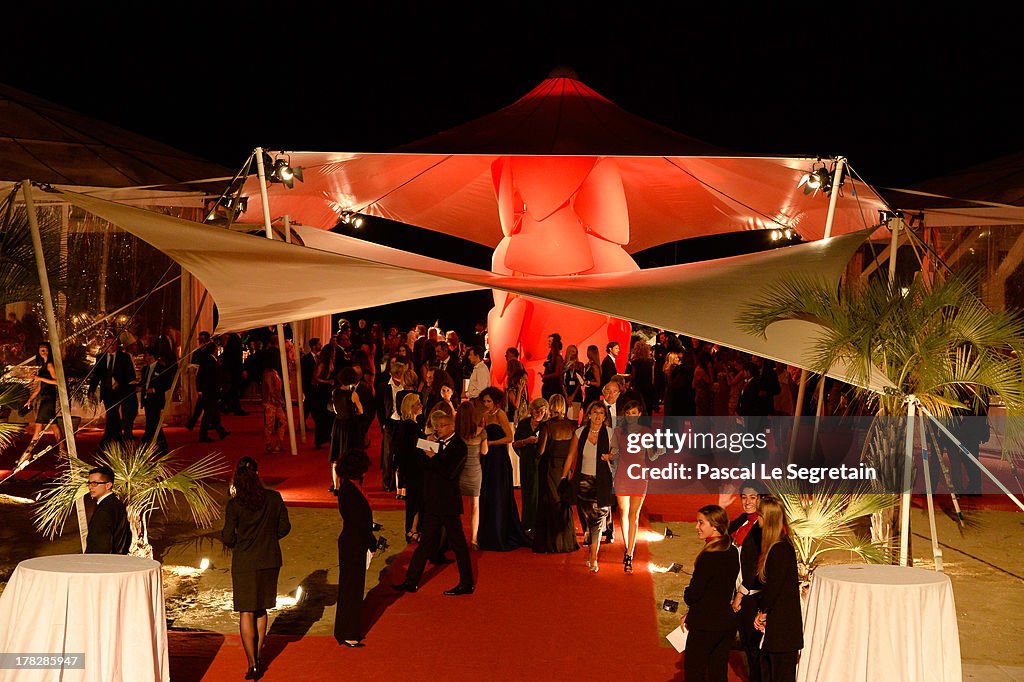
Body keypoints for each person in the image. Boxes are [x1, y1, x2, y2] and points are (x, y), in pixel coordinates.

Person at [222, 457, 291, 679]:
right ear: (257, 474)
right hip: (269, 559)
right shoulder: (273, 498)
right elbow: (284, 527)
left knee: (246, 610)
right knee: (262, 609)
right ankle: (259, 656)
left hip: (244, 561)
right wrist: (269, 538)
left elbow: (227, 537)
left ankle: (252, 663)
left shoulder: (235, 505)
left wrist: (239, 541)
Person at [392, 410, 474, 595]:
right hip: (431, 501)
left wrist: (433, 456)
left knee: (458, 544)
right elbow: (422, 466)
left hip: (448, 503)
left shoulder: (460, 446)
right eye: (436, 425)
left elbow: (449, 471)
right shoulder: (433, 443)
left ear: (452, 426)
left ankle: (466, 583)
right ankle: (411, 581)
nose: (438, 429)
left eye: (442, 425)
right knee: (425, 543)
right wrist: (427, 450)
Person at [682, 505, 739, 682]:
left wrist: (687, 595)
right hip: (726, 623)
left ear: (714, 526)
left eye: (701, 522)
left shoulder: (709, 556)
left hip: (705, 625)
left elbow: (693, 594)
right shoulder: (732, 550)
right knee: (718, 672)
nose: (696, 527)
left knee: (694, 672)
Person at [562, 401, 617, 572]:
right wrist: (564, 476)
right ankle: (589, 538)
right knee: (586, 516)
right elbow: (571, 456)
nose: (598, 416)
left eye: (601, 413)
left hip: (602, 482)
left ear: (605, 417)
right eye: (595, 412)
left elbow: (619, 454)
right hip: (583, 481)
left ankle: (593, 557)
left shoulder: (610, 433)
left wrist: (610, 456)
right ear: (589, 415)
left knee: (598, 520)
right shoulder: (579, 432)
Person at [753, 496, 803, 682]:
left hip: (783, 633)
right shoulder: (777, 547)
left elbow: (773, 588)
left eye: (760, 515)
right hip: (777, 632)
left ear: (768, 519)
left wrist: (762, 613)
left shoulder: (780, 549)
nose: (757, 519)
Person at [478, 387, 531, 551]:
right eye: (484, 401)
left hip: (499, 459)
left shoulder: (500, 414)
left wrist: (491, 443)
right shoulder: (485, 416)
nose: (486, 404)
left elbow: (510, 437)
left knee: (499, 495)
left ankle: (501, 533)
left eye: (488, 401)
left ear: (496, 401)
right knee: (487, 495)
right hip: (487, 459)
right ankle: (488, 534)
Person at [334, 450, 377, 648]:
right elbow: (358, 521)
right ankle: (349, 632)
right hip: (354, 542)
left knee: (350, 586)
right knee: (352, 588)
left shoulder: (349, 487)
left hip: (351, 540)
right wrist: (371, 541)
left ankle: (344, 630)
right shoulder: (350, 491)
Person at [613, 400, 658, 573]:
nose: (630, 416)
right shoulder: (618, 432)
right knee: (623, 513)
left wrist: (659, 450)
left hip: (639, 475)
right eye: (628, 413)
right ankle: (627, 546)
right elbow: (615, 452)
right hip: (623, 475)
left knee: (634, 514)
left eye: (634, 413)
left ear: (639, 414)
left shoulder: (646, 432)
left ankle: (629, 553)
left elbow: (651, 456)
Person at [533, 395, 579, 554]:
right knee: (563, 502)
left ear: (551, 406)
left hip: (550, 468)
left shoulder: (547, 426)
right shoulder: (573, 425)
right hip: (566, 468)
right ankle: (566, 542)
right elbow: (574, 450)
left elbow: (540, 451)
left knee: (549, 503)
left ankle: (550, 543)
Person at [729, 481, 766, 682]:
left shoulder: (761, 525)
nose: (747, 502)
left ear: (760, 499)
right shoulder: (743, 520)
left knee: (754, 647)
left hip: (752, 595)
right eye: (744, 497)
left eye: (752, 497)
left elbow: (756, 565)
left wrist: (740, 595)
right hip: (739, 593)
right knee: (746, 645)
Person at [17, 342, 62, 469]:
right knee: (54, 425)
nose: (44, 352)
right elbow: (39, 387)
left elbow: (57, 381)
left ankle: (27, 454)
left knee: (38, 426)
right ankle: (63, 451)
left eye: (46, 350)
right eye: (41, 350)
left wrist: (40, 378)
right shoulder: (43, 366)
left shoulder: (50, 365)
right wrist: (30, 399)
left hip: (48, 399)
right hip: (44, 398)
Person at [89, 332, 136, 449]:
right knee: (112, 415)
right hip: (107, 391)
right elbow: (96, 376)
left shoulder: (124, 357)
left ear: (117, 345)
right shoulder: (101, 358)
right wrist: (91, 390)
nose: (110, 346)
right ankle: (117, 438)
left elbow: (131, 375)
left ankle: (106, 441)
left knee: (112, 414)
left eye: (112, 343)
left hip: (120, 391)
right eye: (107, 343)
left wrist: (119, 382)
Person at [512, 397, 548, 534]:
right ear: (532, 410)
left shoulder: (546, 425)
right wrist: (526, 441)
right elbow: (514, 444)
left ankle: (539, 525)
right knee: (528, 493)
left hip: (541, 463)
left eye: (542, 411)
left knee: (540, 493)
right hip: (527, 462)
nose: (539, 414)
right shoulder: (524, 424)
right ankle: (527, 524)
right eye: (537, 411)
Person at [456, 401, 487, 549]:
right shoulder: (481, 432)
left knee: (455, 506)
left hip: (459, 472)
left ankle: (456, 536)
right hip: (475, 471)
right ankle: (474, 538)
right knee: (475, 505)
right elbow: (484, 452)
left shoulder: (457, 433)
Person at [394, 393, 425, 541]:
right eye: (418, 404)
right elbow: (414, 447)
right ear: (412, 407)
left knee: (415, 500)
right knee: (416, 500)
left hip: (412, 468)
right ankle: (412, 530)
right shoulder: (409, 426)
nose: (421, 406)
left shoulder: (408, 425)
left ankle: (413, 529)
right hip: (414, 469)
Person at [329, 367, 364, 490]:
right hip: (350, 426)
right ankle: (350, 483)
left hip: (338, 424)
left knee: (336, 457)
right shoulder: (353, 394)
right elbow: (361, 410)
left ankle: (336, 486)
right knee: (350, 454)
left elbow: (334, 409)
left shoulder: (334, 392)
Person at [85, 465, 131, 554]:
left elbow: (100, 545)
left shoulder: (105, 509)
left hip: (103, 563)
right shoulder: (116, 504)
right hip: (117, 560)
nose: (90, 487)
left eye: (95, 483)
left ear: (108, 485)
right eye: (89, 483)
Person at [139, 346, 172, 454]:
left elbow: (167, 384)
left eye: (146, 355)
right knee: (152, 423)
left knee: (152, 423)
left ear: (151, 356)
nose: (144, 357)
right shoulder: (145, 369)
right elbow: (144, 382)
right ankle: (159, 446)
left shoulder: (161, 368)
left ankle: (145, 446)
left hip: (156, 399)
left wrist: (154, 390)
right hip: (147, 400)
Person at [262, 355, 288, 455]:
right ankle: (268, 444)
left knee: (282, 421)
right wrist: (281, 400)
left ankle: (278, 443)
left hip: (276, 401)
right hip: (270, 402)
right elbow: (272, 390)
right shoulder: (268, 373)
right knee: (270, 424)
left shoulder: (273, 372)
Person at [629, 341, 655, 416]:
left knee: (639, 407)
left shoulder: (635, 362)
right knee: (648, 407)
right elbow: (652, 376)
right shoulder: (650, 361)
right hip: (649, 387)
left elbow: (634, 376)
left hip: (639, 387)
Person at [562, 344, 584, 421]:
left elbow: (580, 383)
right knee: (564, 419)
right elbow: (562, 382)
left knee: (574, 419)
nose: (574, 354)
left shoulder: (580, 365)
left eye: (575, 352)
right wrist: (567, 397)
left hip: (576, 395)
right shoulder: (563, 365)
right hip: (565, 395)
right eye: (572, 352)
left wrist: (572, 397)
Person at [540, 333, 565, 400]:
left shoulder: (557, 357)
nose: (548, 343)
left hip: (553, 387)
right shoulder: (551, 356)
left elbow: (557, 373)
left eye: (550, 341)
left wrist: (545, 376)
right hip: (548, 386)